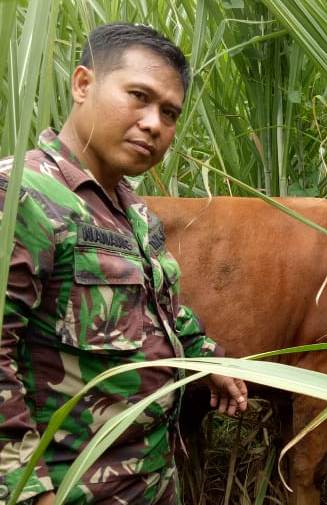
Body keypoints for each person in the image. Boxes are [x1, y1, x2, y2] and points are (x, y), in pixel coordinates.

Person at [0, 23, 248, 504]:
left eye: (170, 113)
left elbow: (159, 312)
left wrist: (207, 358)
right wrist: (28, 492)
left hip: (149, 479)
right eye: (139, 96)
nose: (154, 124)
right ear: (83, 84)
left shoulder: (133, 212)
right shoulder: (20, 197)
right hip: (70, 486)